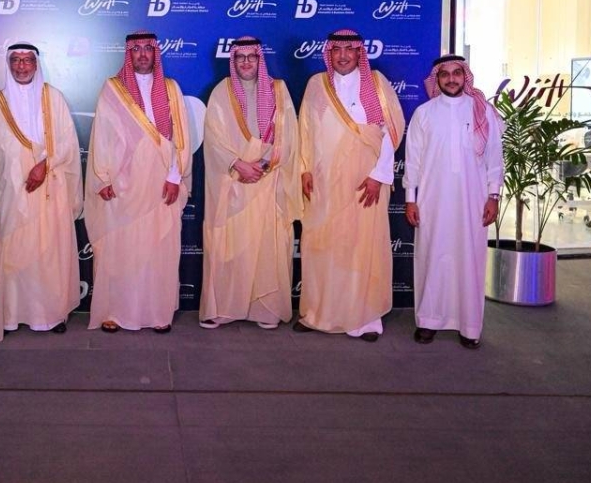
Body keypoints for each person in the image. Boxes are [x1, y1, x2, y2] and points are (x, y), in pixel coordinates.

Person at [297, 29, 405, 342]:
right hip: (324, 183)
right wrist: (304, 169)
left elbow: (391, 132)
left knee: (362, 248)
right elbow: (306, 129)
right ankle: (319, 313)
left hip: (364, 182)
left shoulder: (377, 83)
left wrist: (378, 175)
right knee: (322, 246)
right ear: (329, 54)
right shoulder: (317, 84)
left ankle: (365, 318)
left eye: (349, 49)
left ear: (360, 53)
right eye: (337, 50)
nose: (343, 56)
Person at [85, 31, 191, 333]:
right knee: (121, 249)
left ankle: (158, 313)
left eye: (147, 49)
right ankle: (115, 313)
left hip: (161, 184)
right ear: (128, 54)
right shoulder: (112, 89)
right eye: (136, 49)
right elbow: (102, 136)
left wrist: (175, 176)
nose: (142, 54)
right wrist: (102, 177)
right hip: (122, 185)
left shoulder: (170, 88)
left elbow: (180, 136)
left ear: (155, 53)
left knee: (158, 250)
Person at [404, 55, 505, 349]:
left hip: (473, 201)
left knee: (469, 260)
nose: (451, 78)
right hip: (432, 201)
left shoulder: (482, 112)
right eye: (445, 74)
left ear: (465, 76)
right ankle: (428, 321)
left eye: (457, 73)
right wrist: (410, 200)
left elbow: (494, 158)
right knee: (431, 257)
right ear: (437, 78)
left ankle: (469, 325)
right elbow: (413, 161)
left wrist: (494, 196)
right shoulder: (424, 113)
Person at [200, 37, 301, 330]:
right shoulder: (222, 92)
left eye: (251, 57)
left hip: (269, 182)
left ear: (260, 59)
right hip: (233, 183)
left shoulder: (278, 90)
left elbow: (289, 136)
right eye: (240, 57)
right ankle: (224, 309)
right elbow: (214, 138)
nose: (246, 62)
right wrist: (239, 165)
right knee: (229, 247)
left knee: (267, 246)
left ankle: (265, 309)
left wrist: (264, 166)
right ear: (233, 60)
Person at [0, 43, 82, 340]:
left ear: (36, 64)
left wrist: (44, 164)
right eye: (16, 60)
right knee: (12, 253)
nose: (22, 66)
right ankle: (11, 315)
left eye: (27, 60)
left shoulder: (54, 97)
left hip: (50, 187)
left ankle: (50, 315)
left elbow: (67, 143)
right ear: (8, 64)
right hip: (11, 193)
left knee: (48, 254)